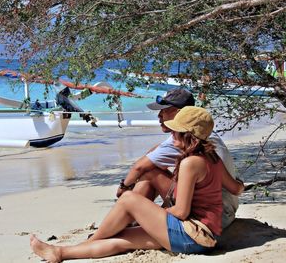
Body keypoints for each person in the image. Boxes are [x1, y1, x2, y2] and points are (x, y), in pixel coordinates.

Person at [30, 107, 225, 261]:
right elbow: (234, 187)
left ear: (188, 135)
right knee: (122, 239)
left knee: (129, 199)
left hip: (192, 234)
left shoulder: (191, 162)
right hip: (204, 238)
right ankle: (60, 253)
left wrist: (148, 215)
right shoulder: (212, 157)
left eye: (176, 131)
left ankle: (91, 240)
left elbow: (181, 211)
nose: (172, 134)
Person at [117, 88, 244, 229]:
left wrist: (124, 189)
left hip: (213, 216)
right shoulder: (200, 134)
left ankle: (125, 221)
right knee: (155, 168)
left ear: (178, 113)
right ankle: (131, 220)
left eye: (163, 110)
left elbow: (139, 166)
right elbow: (155, 152)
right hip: (226, 209)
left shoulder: (180, 141)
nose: (159, 116)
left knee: (150, 173)